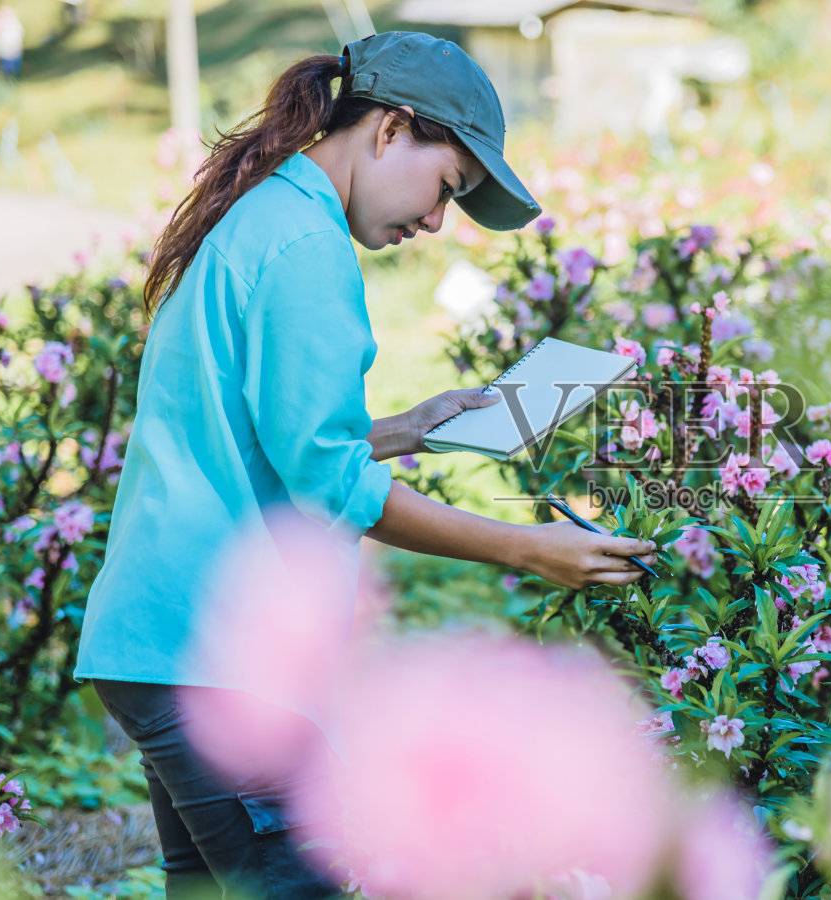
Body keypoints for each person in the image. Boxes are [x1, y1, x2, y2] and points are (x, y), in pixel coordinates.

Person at [72, 31, 658, 900]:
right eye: (447, 189)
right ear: (391, 130)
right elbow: (335, 489)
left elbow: (246, 427)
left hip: (162, 634)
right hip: (211, 650)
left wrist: (403, 428)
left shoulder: (267, 214)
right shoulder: (307, 247)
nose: (432, 222)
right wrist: (526, 547)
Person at [0, 5, 23, 78]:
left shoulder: (15, 23)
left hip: (12, 49)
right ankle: (8, 80)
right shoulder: (3, 23)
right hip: (5, 51)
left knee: (12, 67)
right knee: (6, 68)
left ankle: (12, 80)